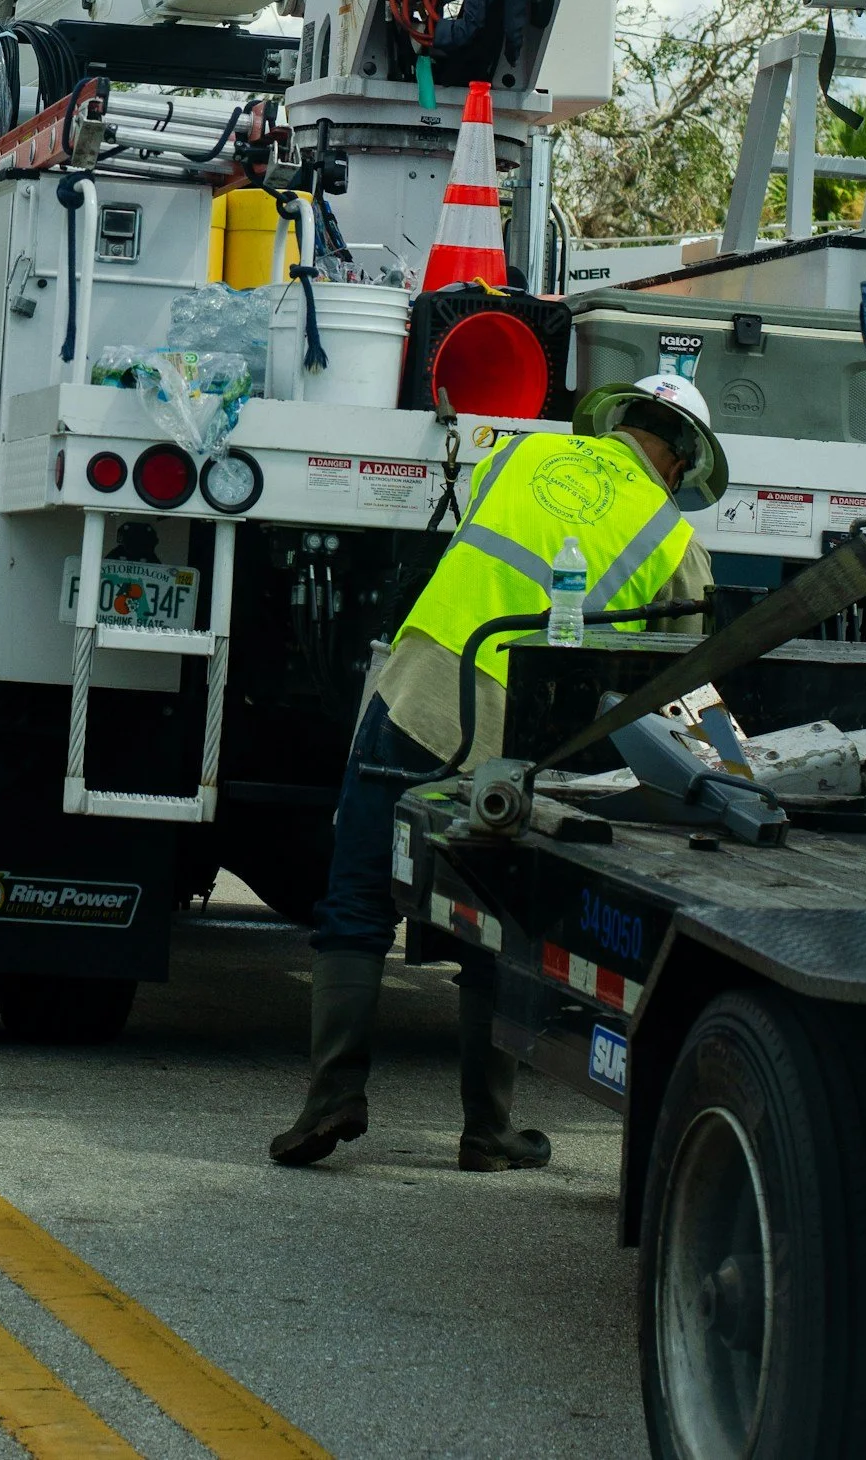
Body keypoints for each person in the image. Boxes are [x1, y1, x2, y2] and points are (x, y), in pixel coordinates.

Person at [270, 372, 726, 1174]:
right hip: (517, 737)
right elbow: (682, 668)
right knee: (498, 927)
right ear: (682, 459)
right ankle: (490, 1131)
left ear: (618, 422)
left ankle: (330, 1099)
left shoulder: (518, 458)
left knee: (356, 903)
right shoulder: (675, 538)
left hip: (417, 693)